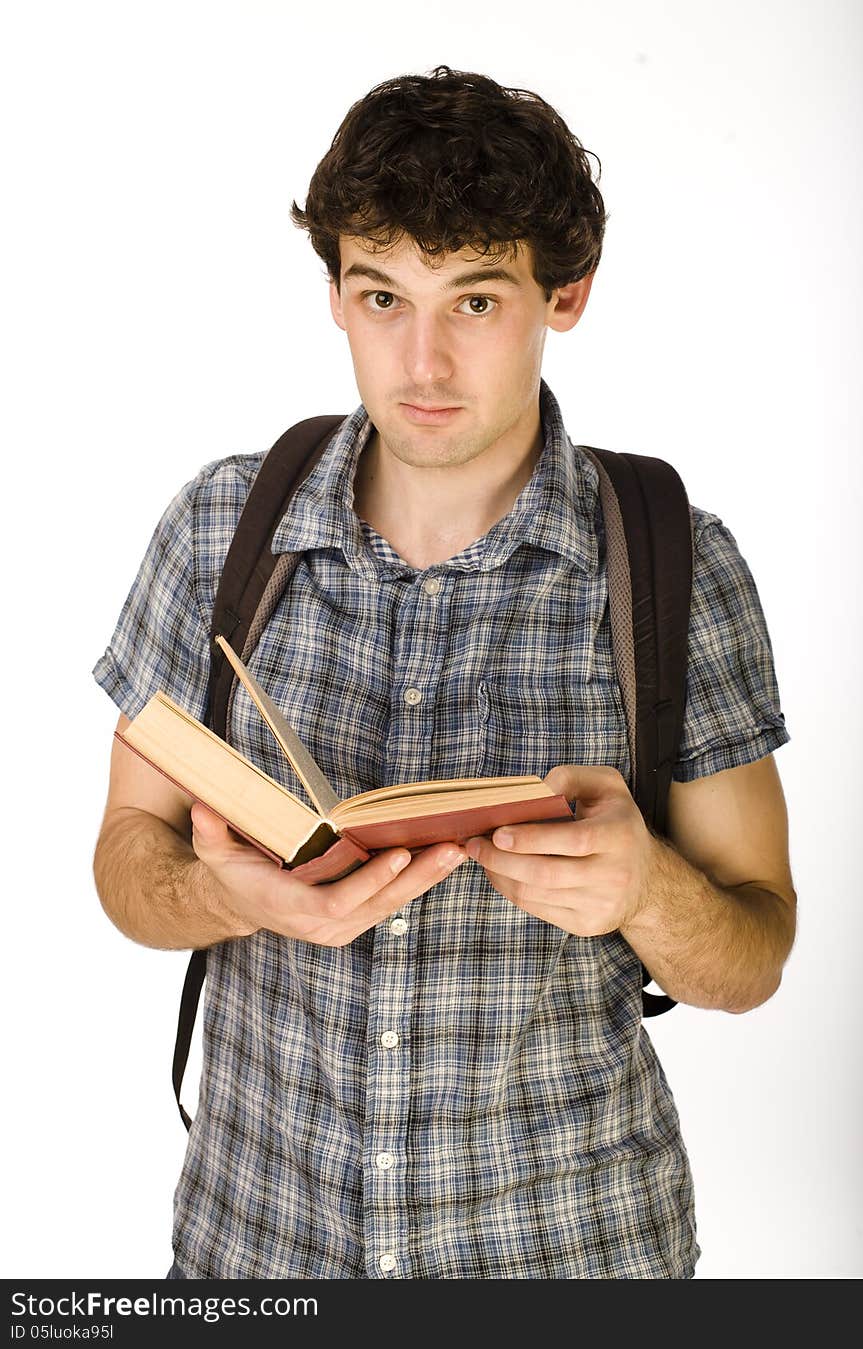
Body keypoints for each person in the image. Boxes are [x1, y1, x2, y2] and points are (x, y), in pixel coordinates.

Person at [91, 66, 797, 1280]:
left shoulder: (675, 557)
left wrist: (644, 888)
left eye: (473, 300)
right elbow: (124, 860)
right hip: (257, 1248)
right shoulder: (221, 525)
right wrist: (236, 897)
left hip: (570, 1252)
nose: (420, 360)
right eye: (381, 295)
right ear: (334, 295)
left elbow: (755, 949)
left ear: (563, 294)